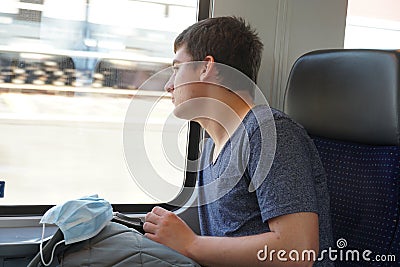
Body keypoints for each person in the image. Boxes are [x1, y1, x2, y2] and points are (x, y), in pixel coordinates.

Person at [143, 16, 333, 266]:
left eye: (177, 69)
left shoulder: (271, 134)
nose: (168, 85)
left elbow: (297, 250)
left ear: (205, 67)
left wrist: (191, 244)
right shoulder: (211, 144)